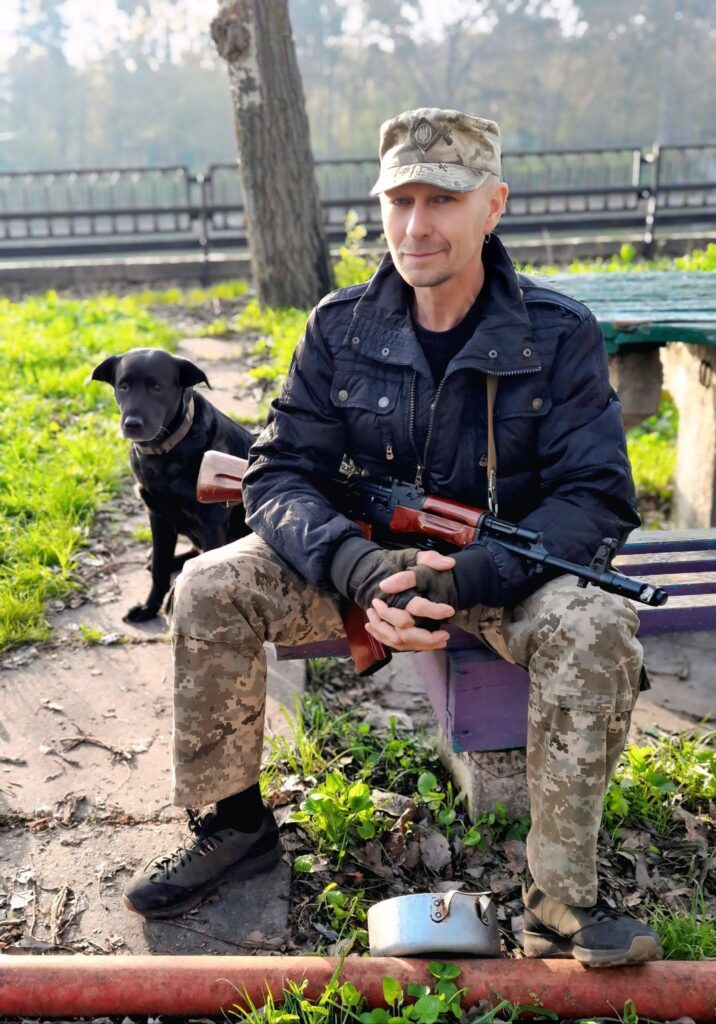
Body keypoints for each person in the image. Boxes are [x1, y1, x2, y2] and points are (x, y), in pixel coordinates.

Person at [123, 108, 662, 967]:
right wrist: (357, 565)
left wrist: (466, 576)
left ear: (493, 205)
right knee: (208, 587)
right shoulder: (339, 327)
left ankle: (561, 899)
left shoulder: (557, 333)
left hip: (504, 572)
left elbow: (595, 496)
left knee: (599, 623)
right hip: (360, 558)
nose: (416, 226)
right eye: (400, 200)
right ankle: (235, 825)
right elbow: (276, 472)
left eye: (443, 200)